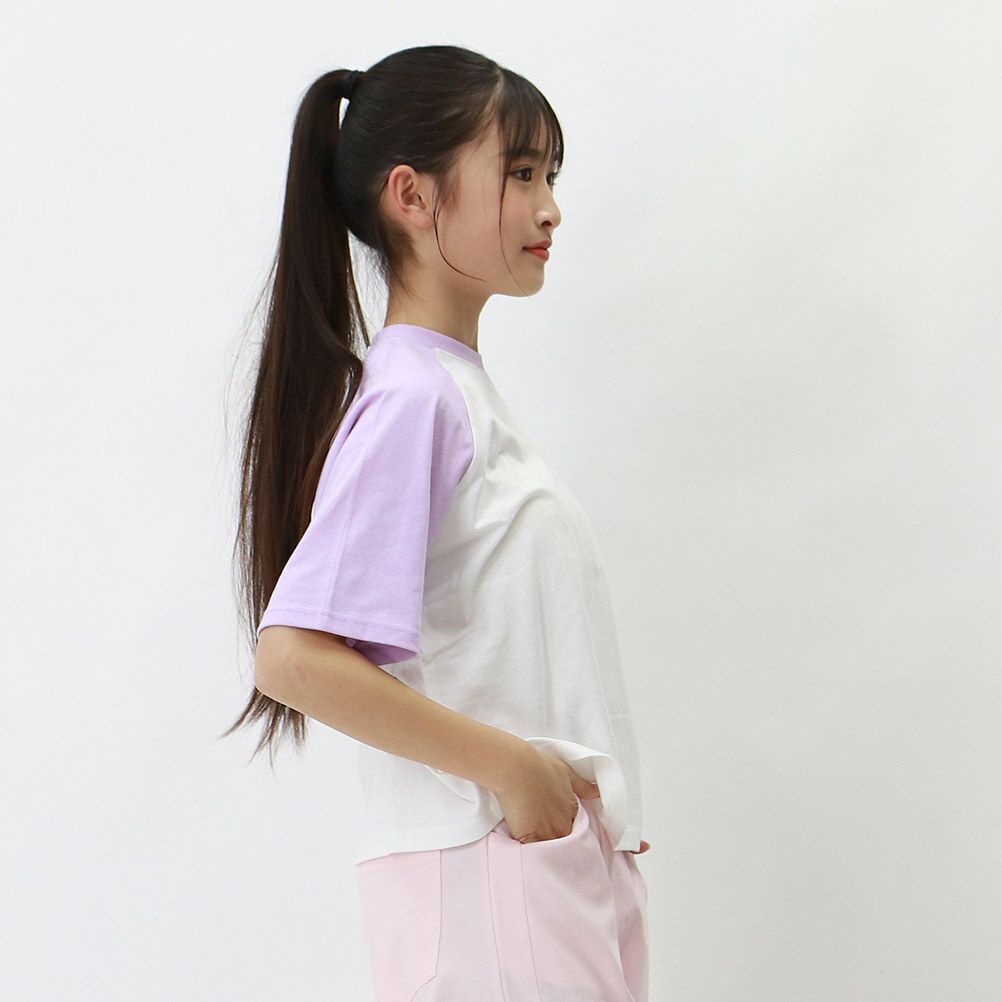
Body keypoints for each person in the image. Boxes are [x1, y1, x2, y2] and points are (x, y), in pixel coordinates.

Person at [222, 43, 651, 1001]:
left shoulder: (454, 395)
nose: (549, 207)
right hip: (490, 879)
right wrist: (517, 773)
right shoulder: (416, 399)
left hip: (533, 872)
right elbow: (293, 656)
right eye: (520, 172)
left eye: (551, 176)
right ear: (412, 197)